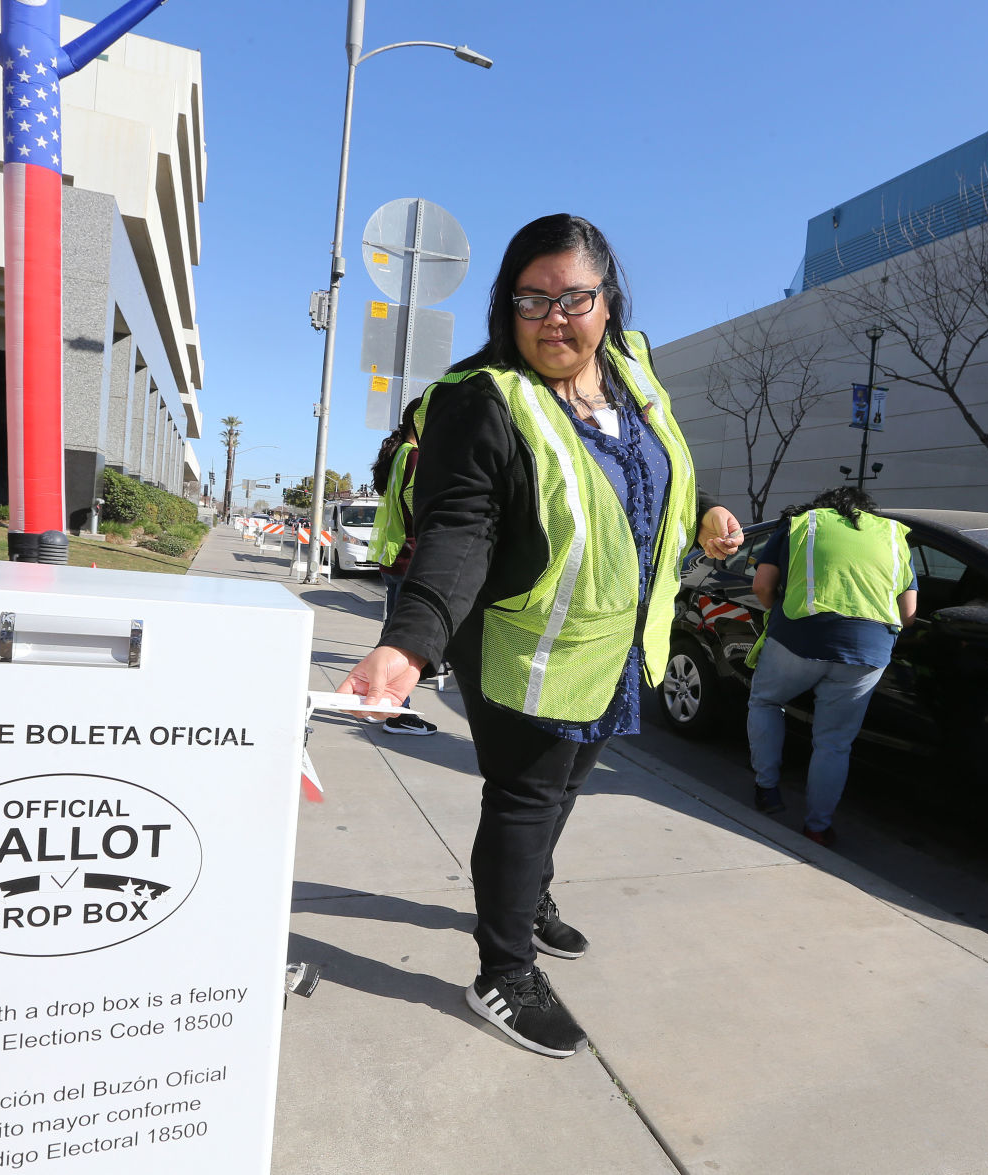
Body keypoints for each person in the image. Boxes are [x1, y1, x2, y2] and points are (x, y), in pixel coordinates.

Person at [336, 214, 743, 1058]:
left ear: (607, 300)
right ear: (506, 305)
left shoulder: (631, 374)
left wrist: (702, 511)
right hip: (521, 646)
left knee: (563, 790)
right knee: (523, 800)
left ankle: (527, 899)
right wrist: (408, 642)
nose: (554, 318)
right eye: (532, 300)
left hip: (614, 645)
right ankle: (503, 970)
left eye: (573, 298)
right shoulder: (483, 399)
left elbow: (646, 473)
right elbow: (461, 529)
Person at [745, 486, 917, 847]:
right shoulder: (892, 534)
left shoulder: (801, 523)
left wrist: (779, 611)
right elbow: (908, 613)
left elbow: (762, 585)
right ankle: (817, 827)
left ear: (823, 506)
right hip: (868, 649)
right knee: (834, 744)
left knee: (765, 701)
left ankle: (768, 790)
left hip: (799, 636)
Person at [367, 397, 436, 735]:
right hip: (410, 557)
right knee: (405, 639)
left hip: (395, 556)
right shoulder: (417, 458)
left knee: (393, 633)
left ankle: (377, 700)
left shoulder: (399, 455)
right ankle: (395, 711)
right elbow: (423, 511)